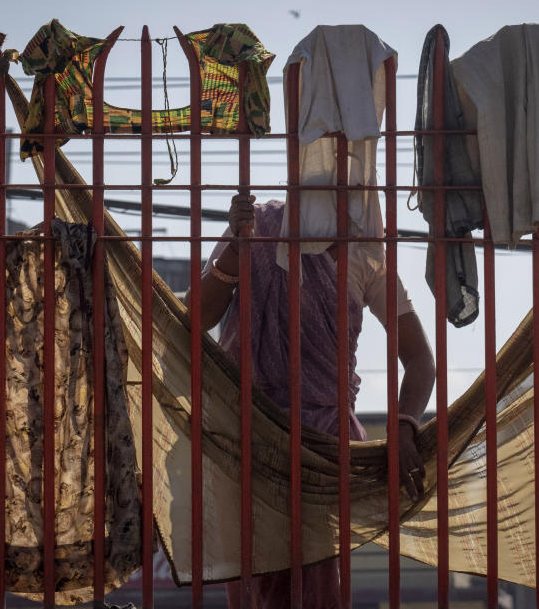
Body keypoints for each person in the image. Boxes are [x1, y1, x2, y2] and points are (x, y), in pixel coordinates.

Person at [185, 193, 435, 609]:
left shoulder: (366, 254)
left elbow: (421, 360)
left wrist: (405, 424)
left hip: (318, 456)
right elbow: (196, 319)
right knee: (252, 584)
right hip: (245, 441)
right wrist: (235, 247)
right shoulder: (259, 227)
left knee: (313, 586)